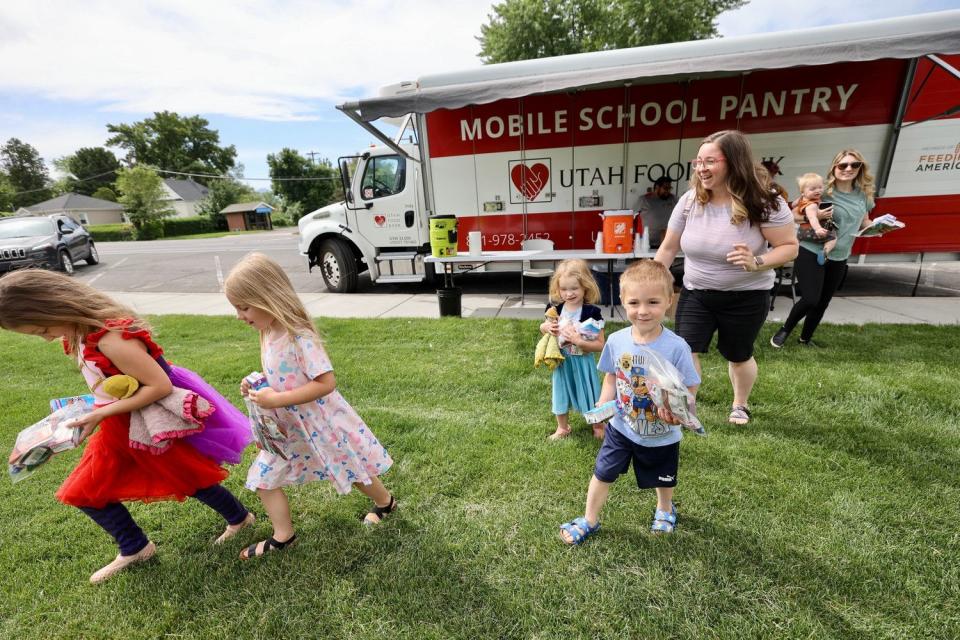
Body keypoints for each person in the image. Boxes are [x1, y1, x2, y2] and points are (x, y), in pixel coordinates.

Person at [0, 270, 254, 584]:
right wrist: (82, 417)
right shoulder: (81, 333)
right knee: (83, 490)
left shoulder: (110, 338)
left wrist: (100, 415)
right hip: (119, 422)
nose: (48, 337)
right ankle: (134, 546)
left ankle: (239, 518)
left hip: (146, 422)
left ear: (57, 307)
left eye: (44, 329)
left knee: (186, 474)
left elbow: (159, 386)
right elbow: (109, 386)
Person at [224, 253, 396, 559]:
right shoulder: (267, 332)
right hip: (287, 428)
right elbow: (282, 372)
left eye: (244, 307)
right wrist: (257, 381)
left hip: (319, 424)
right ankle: (283, 536)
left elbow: (325, 383)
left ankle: (386, 504)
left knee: (351, 470)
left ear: (267, 298)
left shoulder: (298, 336)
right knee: (264, 478)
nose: (239, 316)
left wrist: (276, 399)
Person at [654, 130, 798, 425]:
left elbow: (789, 248)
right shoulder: (691, 200)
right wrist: (653, 278)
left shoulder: (764, 201)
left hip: (746, 296)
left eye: (710, 161)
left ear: (734, 162)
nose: (701, 168)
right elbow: (669, 247)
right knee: (686, 348)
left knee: (738, 354)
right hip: (697, 292)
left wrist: (757, 261)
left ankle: (740, 405)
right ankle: (684, 405)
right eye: (698, 162)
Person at [559, 260, 699, 544]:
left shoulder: (677, 347)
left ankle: (664, 508)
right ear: (622, 300)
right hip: (621, 427)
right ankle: (589, 519)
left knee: (663, 477)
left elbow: (690, 384)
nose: (643, 310)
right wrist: (601, 406)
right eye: (634, 302)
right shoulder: (617, 340)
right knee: (602, 472)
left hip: (662, 433)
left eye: (653, 302)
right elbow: (611, 377)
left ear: (669, 301)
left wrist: (682, 408)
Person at [771, 150, 875, 348]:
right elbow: (792, 214)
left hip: (840, 254)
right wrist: (815, 217)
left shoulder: (864, 195)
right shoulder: (822, 190)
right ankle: (784, 330)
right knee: (811, 298)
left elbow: (864, 222)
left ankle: (805, 339)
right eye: (843, 165)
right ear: (834, 167)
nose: (848, 169)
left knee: (823, 302)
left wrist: (877, 227)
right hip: (811, 249)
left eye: (854, 165)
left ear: (860, 168)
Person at [539, 259, 606, 440]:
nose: (569, 293)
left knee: (591, 392)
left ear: (585, 286)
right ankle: (562, 427)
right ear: (557, 289)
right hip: (561, 360)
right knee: (560, 392)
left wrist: (580, 341)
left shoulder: (592, 313)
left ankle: (598, 425)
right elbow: (544, 326)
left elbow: (601, 344)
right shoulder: (555, 310)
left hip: (583, 360)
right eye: (564, 289)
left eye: (574, 288)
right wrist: (546, 328)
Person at [792, 172, 837, 265]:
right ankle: (824, 252)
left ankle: (794, 249)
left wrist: (801, 198)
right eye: (812, 189)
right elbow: (813, 218)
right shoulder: (812, 205)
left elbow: (793, 204)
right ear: (803, 191)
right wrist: (818, 229)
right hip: (812, 231)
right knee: (833, 239)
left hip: (801, 231)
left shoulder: (802, 199)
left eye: (820, 187)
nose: (817, 191)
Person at [636, 176, 678, 249]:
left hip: (667, 243)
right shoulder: (644, 199)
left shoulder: (673, 199)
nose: (667, 191)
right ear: (657, 187)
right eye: (665, 188)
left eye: (669, 188)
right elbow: (632, 217)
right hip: (647, 244)